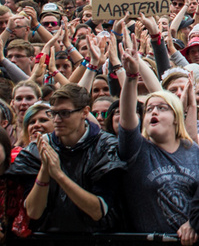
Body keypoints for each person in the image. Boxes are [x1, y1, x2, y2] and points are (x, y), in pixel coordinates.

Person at [7, 84, 126, 232]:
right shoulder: (37, 149)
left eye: (64, 113)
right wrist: (45, 170)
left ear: (84, 112)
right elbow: (33, 212)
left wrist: (59, 175)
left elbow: (98, 211)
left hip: (96, 239)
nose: (57, 119)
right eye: (53, 113)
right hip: (47, 239)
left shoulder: (106, 147)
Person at [118, 49, 199, 237]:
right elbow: (126, 118)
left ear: (176, 117)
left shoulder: (193, 151)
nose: (154, 112)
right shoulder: (137, 149)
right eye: (149, 109)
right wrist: (132, 76)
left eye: (161, 108)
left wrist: (194, 222)